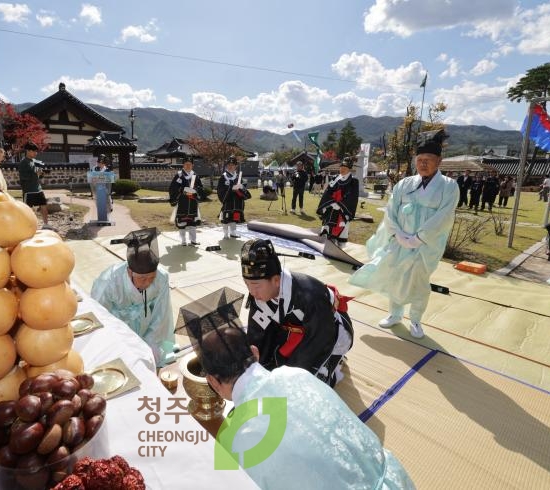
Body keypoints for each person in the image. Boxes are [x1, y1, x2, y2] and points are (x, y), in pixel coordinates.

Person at [190, 324, 415, 490]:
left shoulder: (234, 437)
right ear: (255, 352)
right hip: (395, 480)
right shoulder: (296, 374)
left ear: (212, 381)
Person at [349, 129, 459, 339]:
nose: (423, 164)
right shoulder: (404, 184)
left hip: (425, 244)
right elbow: (391, 211)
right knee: (396, 275)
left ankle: (416, 320)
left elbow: (444, 216)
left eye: (428, 159)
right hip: (400, 240)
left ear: (439, 161)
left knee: (418, 281)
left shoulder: (449, 186)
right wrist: (398, 234)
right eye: (420, 159)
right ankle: (395, 314)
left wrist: (418, 238)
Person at [241, 238, 353, 386]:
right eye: (246, 283)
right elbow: (257, 334)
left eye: (255, 285)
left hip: (329, 331)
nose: (251, 291)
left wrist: (291, 379)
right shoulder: (261, 293)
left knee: (307, 384)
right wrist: (253, 364)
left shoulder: (311, 295)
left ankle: (335, 363)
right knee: (267, 366)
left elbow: (318, 342)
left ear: (275, 280)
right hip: (293, 329)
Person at [90, 228, 175, 367]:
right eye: (142, 279)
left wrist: (149, 345)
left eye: (151, 277)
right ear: (130, 272)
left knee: (151, 358)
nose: (147, 283)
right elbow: (99, 317)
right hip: (117, 329)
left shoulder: (161, 277)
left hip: (148, 326)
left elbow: (162, 315)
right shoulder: (108, 281)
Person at [316, 157, 359, 244]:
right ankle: (327, 244)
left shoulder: (354, 181)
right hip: (331, 207)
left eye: (345, 168)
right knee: (327, 228)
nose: (342, 169)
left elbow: (353, 197)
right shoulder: (335, 178)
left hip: (343, 210)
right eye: (341, 167)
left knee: (340, 230)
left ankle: (339, 248)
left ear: (349, 169)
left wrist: (340, 204)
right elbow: (328, 191)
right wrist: (330, 203)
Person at [169, 156, 206, 246]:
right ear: (183, 165)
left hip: (193, 202)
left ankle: (193, 240)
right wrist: (182, 190)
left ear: (192, 165)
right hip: (182, 203)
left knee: (192, 223)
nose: (188, 166)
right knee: (182, 223)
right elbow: (173, 188)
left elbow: (200, 187)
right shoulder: (179, 175)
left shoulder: (195, 175)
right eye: (186, 164)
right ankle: (183, 241)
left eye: (190, 164)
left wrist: (196, 190)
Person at [217, 155, 251, 239]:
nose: (230, 166)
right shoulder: (223, 177)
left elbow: (243, 188)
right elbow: (220, 190)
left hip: (237, 201)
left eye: (232, 165)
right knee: (226, 219)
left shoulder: (238, 177)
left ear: (236, 166)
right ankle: (225, 234)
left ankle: (233, 233)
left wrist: (240, 188)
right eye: (229, 165)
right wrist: (230, 188)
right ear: (226, 166)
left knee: (234, 219)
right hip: (228, 201)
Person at [18, 142, 49, 228]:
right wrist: (36, 174)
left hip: (38, 188)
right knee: (28, 210)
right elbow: (24, 177)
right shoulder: (23, 163)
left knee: (44, 205)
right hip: (29, 190)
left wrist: (41, 173)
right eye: (34, 151)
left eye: (36, 151)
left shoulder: (34, 161)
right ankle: (29, 226)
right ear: (28, 151)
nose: (36, 153)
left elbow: (38, 174)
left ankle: (46, 224)